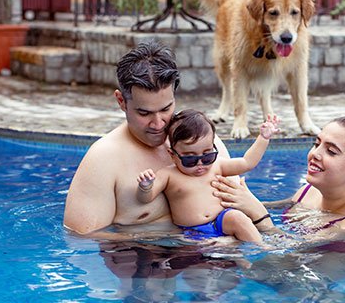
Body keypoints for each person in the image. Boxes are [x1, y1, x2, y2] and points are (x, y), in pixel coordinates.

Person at [63, 41, 230, 236]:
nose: (158, 124)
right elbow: (81, 234)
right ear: (121, 101)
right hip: (149, 259)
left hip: (219, 252)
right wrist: (182, 243)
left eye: (166, 109)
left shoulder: (201, 140)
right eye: (144, 113)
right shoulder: (104, 159)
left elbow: (241, 201)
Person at [212, 116, 345, 238]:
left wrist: (260, 215)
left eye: (331, 151)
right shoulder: (309, 191)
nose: (315, 154)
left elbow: (293, 256)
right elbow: (268, 208)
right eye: (316, 144)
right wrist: (236, 200)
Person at [136, 110, 280, 242]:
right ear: (173, 155)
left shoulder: (217, 165)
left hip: (222, 221)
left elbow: (247, 163)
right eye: (190, 159)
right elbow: (145, 198)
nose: (200, 164)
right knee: (229, 261)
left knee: (238, 218)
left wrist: (263, 138)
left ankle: (263, 251)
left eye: (207, 156)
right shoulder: (168, 175)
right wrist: (146, 186)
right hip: (192, 232)